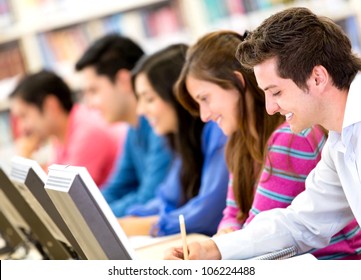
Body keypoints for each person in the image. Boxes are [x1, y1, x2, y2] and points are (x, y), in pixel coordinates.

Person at [165, 7, 361, 260]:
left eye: (276, 92)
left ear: (317, 77)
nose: (270, 108)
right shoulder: (339, 142)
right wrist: (215, 249)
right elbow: (302, 223)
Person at [118, 43, 229, 237]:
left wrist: (145, 226)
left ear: (177, 95)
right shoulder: (184, 139)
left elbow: (208, 213)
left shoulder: (218, 129)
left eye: (149, 99)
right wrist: (130, 219)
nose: (140, 110)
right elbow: (167, 197)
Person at [75, 34, 172, 217]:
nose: (89, 104)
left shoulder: (159, 124)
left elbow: (149, 197)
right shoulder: (133, 129)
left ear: (124, 81)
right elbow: (117, 187)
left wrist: (91, 216)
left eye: (94, 91)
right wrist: (78, 213)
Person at [9, 69, 119, 186]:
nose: (22, 128)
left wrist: (25, 161)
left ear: (51, 105)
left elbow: (63, 197)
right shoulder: (61, 135)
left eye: (24, 116)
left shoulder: (87, 133)